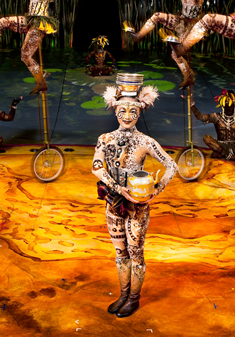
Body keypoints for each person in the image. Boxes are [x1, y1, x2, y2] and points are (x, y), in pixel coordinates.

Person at [92, 78, 177, 318]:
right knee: (120, 253)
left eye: (133, 111)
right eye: (123, 111)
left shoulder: (146, 141)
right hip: (113, 204)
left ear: (140, 112)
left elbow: (171, 166)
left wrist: (156, 189)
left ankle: (133, 299)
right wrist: (119, 189)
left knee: (135, 252)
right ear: (115, 110)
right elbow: (97, 167)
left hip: (137, 207)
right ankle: (123, 295)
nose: (127, 116)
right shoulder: (105, 138)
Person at [128, 0, 216, 89]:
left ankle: (188, 77)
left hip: (191, 26)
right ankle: (138, 36)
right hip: (180, 20)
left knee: (175, 54)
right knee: (157, 16)